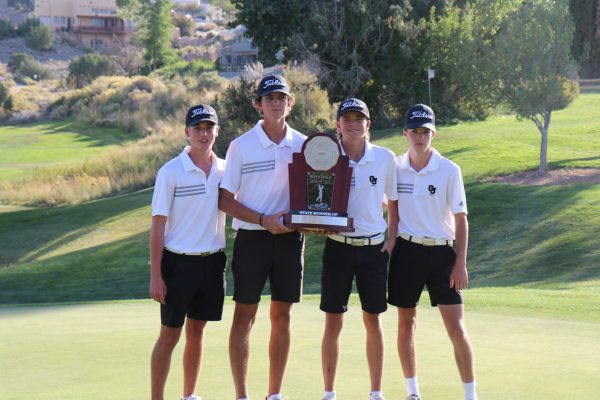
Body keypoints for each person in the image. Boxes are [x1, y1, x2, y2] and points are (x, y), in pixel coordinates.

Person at [219, 74, 306, 400]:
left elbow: (315, 197)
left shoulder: (303, 144)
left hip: (289, 240)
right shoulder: (241, 146)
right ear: (258, 104)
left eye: (281, 97)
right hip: (251, 239)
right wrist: (261, 219)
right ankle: (242, 395)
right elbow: (225, 199)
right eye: (269, 98)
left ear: (289, 103)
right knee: (246, 315)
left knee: (282, 316)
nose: (275, 103)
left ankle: (274, 394)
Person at [388, 104, 478, 400]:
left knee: (457, 328)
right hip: (407, 253)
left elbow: (461, 219)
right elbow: (390, 207)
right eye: (414, 131)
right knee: (406, 324)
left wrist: (460, 263)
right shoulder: (396, 167)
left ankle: (470, 395)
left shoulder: (450, 170)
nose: (419, 136)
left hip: (442, 255)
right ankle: (413, 392)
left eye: (425, 131)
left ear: (433, 134)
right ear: (405, 133)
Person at [320, 98, 398, 400]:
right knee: (333, 320)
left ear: (368, 124)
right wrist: (318, 222)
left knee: (373, 319)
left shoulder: (384, 157)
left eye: (358, 119)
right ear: (338, 125)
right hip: (337, 248)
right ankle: (329, 392)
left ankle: (376, 392)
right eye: (347, 119)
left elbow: (393, 201)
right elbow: (314, 197)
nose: (353, 124)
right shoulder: (326, 156)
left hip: (373, 250)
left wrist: (391, 239)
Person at [149, 104, 227, 400]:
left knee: (198, 332)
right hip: (177, 264)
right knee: (170, 334)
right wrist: (156, 275)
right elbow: (157, 226)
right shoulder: (170, 172)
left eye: (209, 128)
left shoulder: (223, 169)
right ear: (187, 132)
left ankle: (189, 395)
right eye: (198, 128)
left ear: (217, 132)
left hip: (212, 263)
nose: (204, 134)